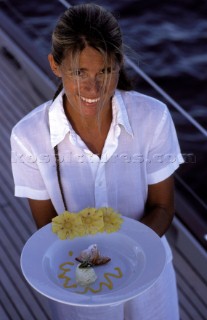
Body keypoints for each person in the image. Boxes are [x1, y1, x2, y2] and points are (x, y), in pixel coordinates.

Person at [11, 3, 184, 320]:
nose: (93, 89)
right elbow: (47, 227)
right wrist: (94, 262)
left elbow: (162, 208)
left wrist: (127, 257)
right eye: (78, 73)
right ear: (55, 65)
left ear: (119, 63)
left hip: (150, 279)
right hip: (77, 288)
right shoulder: (27, 137)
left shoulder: (154, 117)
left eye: (104, 71)